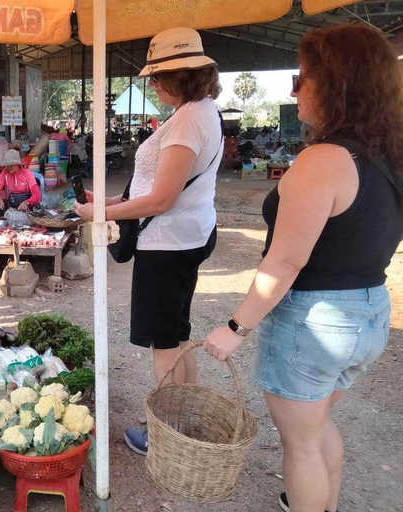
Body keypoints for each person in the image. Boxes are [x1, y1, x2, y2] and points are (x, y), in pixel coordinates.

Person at [202, 24, 403, 512]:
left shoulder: (324, 160)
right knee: (315, 431)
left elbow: (286, 261)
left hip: (315, 323)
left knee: (302, 445)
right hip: (369, 311)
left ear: (334, 84)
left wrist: (236, 327)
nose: (295, 89)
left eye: (301, 77)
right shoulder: (389, 154)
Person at [75, 27, 223, 455]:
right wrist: (105, 200)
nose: (153, 85)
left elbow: (160, 198)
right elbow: (155, 185)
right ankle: (185, 421)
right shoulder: (202, 111)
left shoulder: (189, 119)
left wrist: (100, 213)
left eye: (159, 77)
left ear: (183, 76)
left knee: (163, 341)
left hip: (168, 243)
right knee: (177, 334)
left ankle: (163, 435)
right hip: (187, 236)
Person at [0, 149, 40, 214]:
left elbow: (36, 194)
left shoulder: (26, 173)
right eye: (7, 165)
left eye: (11, 165)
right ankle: (12, 212)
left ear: (17, 164)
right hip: (12, 202)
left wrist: (27, 202)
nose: (9, 167)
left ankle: (10, 213)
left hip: (25, 203)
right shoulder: (5, 172)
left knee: (37, 206)